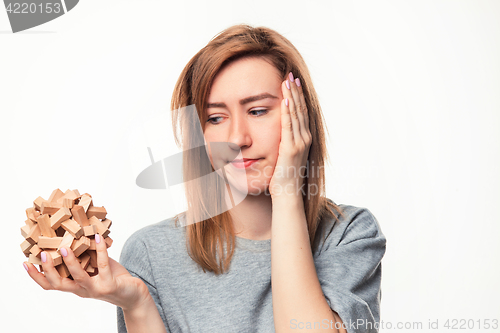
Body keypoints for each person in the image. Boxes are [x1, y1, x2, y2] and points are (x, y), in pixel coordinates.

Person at [24, 24, 386, 333]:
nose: (238, 138)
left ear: (300, 114)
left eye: (258, 111)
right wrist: (137, 305)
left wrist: (288, 191)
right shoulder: (150, 253)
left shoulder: (349, 234)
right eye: (215, 118)